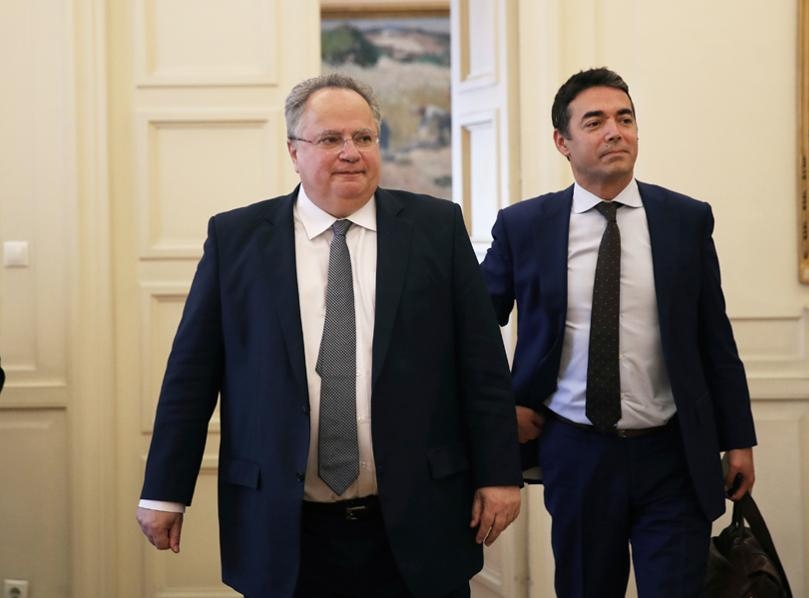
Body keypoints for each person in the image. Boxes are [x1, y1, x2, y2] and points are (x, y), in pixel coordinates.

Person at [136, 74, 522, 598]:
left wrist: (499, 473)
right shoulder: (237, 239)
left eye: (364, 137)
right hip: (285, 526)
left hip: (418, 519)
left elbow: (482, 364)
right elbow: (191, 375)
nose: (350, 152)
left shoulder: (436, 228)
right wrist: (165, 491)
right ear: (293, 151)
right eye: (331, 139)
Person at [480, 67, 757, 598]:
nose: (615, 131)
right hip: (576, 451)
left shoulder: (685, 219)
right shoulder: (525, 226)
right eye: (595, 122)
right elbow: (473, 326)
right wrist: (500, 407)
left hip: (673, 451)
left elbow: (714, 337)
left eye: (624, 119)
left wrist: (738, 439)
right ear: (562, 141)